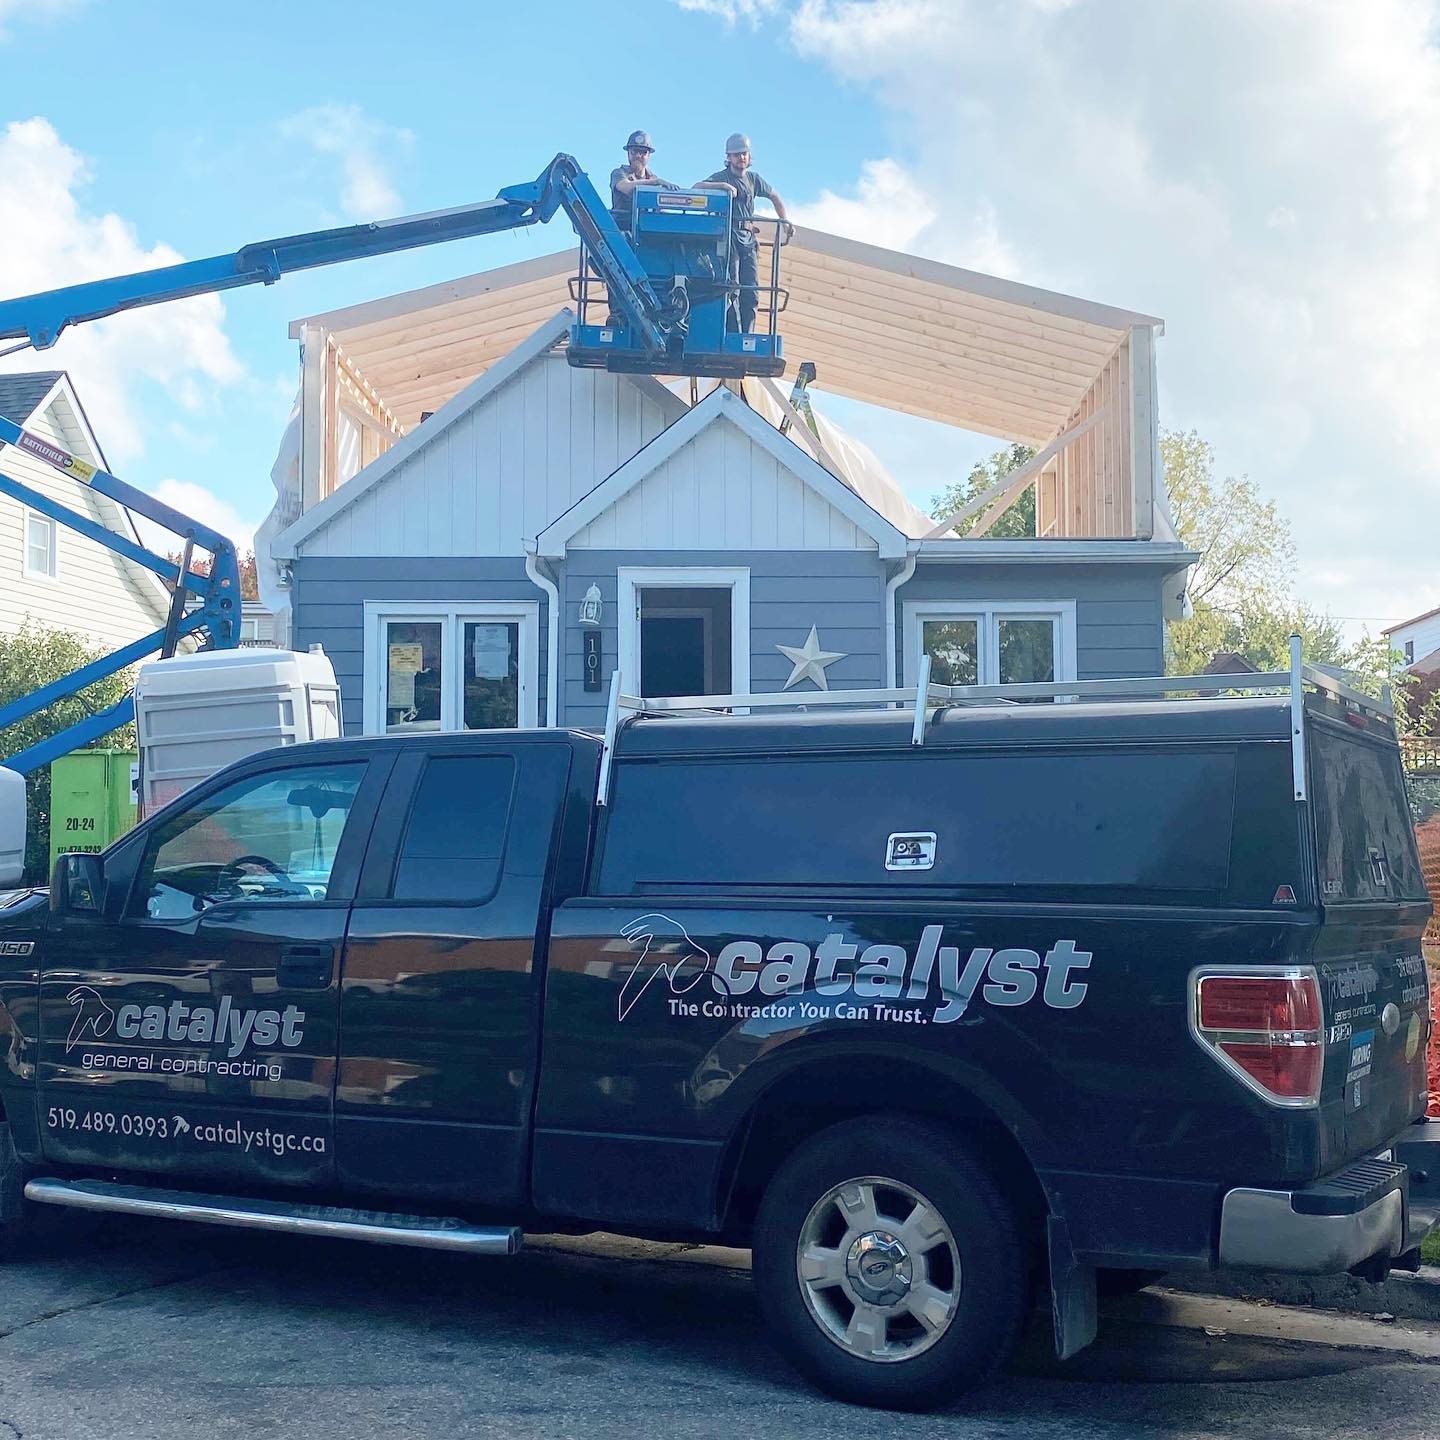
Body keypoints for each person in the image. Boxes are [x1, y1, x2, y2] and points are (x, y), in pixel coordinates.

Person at [696, 133, 794, 334]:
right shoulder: (722, 177)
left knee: (751, 289)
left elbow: (775, 196)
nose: (741, 158)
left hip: (748, 238)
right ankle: (732, 333)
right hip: (729, 237)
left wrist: (784, 222)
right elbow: (697, 187)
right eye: (737, 155)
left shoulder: (753, 179)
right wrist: (722, 187)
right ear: (729, 157)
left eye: (744, 154)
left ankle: (746, 334)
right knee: (732, 287)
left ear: (749, 157)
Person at [609, 130, 680, 229]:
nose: (638, 156)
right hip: (620, 229)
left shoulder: (652, 178)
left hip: (646, 229)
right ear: (628, 153)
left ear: (649, 155)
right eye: (634, 151)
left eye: (643, 152)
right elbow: (624, 187)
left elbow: (659, 206)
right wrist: (656, 182)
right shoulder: (619, 173)